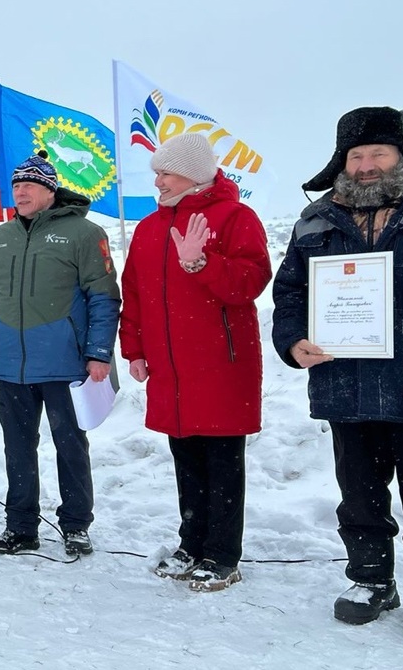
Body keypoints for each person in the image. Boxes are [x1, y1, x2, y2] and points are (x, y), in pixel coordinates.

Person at [272, 107, 403, 645]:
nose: (367, 164)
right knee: (358, 495)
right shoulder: (317, 219)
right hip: (344, 382)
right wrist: (292, 340)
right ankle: (371, 580)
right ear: (342, 162)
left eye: (378, 152)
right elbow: (291, 293)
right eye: (357, 155)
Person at [119, 133, 271, 592]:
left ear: (194, 173)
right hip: (170, 367)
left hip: (220, 366)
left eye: (165, 172)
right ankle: (192, 542)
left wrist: (202, 261)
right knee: (186, 458)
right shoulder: (149, 228)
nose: (158, 180)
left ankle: (222, 555)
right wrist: (136, 349)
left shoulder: (236, 217)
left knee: (223, 461)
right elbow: (136, 295)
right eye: (157, 172)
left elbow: (249, 282)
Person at [0, 150, 120, 556]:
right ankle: (21, 527)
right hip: (12, 364)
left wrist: (99, 352)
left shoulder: (84, 234)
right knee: (17, 447)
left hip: (64, 362)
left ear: (50, 190)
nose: (21, 192)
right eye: (16, 185)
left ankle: (75, 525)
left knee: (70, 444)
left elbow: (103, 297)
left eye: (29, 185)